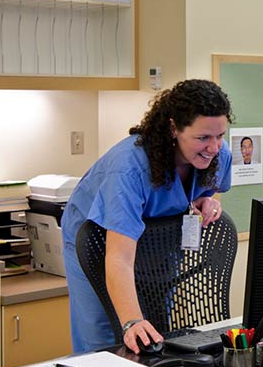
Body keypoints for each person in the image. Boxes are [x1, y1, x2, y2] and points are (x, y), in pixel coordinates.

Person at [62, 79, 234, 353]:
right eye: (203, 138)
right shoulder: (129, 169)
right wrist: (131, 321)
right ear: (173, 128)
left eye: (220, 136)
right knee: (107, 338)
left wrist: (206, 199)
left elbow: (204, 187)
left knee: (156, 330)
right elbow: (117, 257)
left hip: (155, 243)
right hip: (97, 243)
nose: (214, 148)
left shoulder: (216, 153)